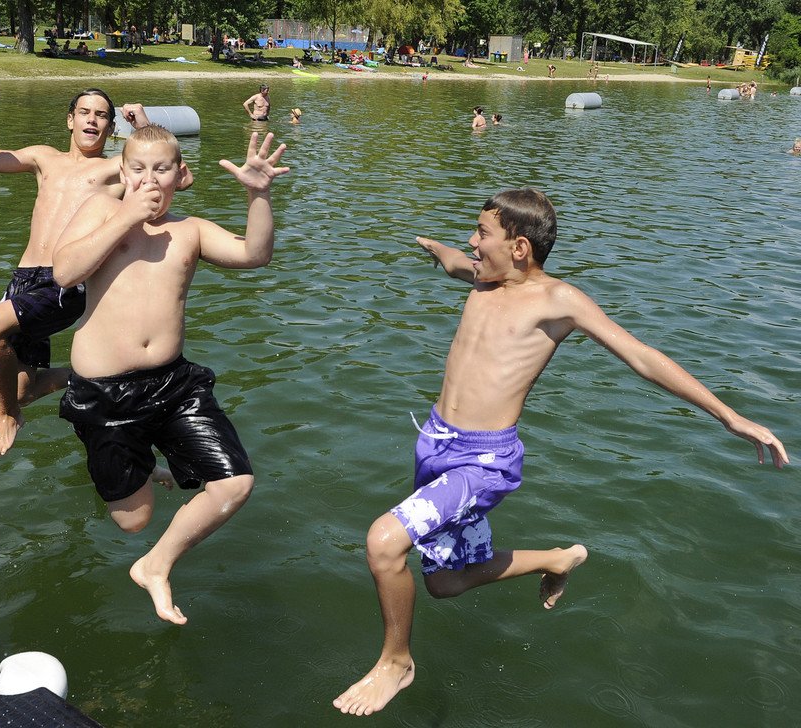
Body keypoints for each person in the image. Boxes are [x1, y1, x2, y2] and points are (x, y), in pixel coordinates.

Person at [333, 188, 788, 716]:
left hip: (483, 462)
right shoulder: (484, 277)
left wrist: (729, 416)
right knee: (443, 582)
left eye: (482, 233)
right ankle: (557, 559)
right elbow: (456, 262)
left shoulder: (557, 302)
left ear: (519, 247)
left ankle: (397, 662)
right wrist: (434, 247)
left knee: (384, 543)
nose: (472, 242)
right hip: (435, 444)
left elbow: (641, 356)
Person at [51, 126, 289, 624]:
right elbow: (65, 272)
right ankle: (150, 469)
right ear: (123, 172)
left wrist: (258, 195)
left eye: (161, 169)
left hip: (173, 384)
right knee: (135, 521)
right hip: (104, 393)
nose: (149, 179)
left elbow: (255, 255)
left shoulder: (191, 230)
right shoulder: (100, 210)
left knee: (234, 483)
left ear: (180, 175)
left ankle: (155, 566)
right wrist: (127, 216)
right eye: (138, 169)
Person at [0, 83, 194, 460]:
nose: (92, 120)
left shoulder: (116, 167)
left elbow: (182, 178)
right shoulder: (43, 157)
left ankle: (7, 416)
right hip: (24, 280)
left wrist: (144, 128)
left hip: (67, 280)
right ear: (70, 120)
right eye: (85, 112)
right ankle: (100, 374)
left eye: (101, 115)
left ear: (111, 127)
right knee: (22, 389)